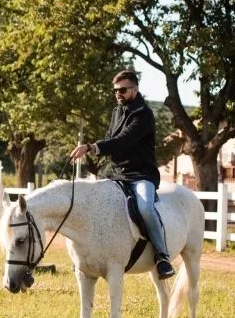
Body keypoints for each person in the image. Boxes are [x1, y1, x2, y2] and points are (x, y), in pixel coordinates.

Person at [70, 70, 175, 279]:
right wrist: (98, 161)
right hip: (117, 173)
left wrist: (91, 147)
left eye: (123, 89)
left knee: (145, 207)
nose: (118, 93)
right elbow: (111, 138)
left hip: (141, 175)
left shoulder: (144, 114)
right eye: (116, 90)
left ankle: (162, 257)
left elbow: (124, 140)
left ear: (135, 89)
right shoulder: (116, 112)